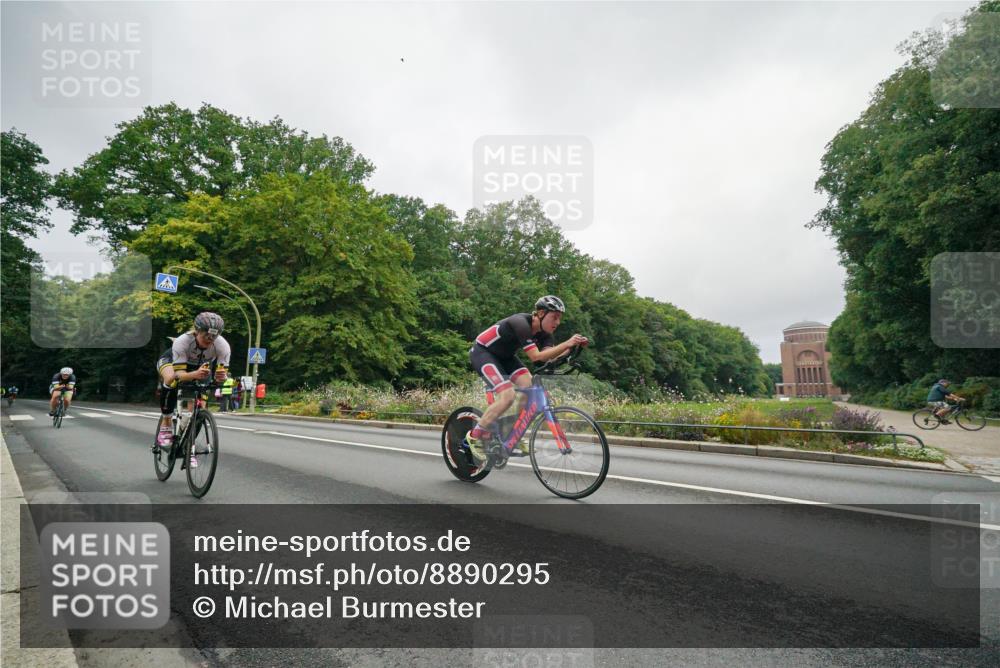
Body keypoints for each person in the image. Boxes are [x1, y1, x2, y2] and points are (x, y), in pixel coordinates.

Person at [465, 296, 588, 465]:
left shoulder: (546, 335)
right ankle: (474, 436)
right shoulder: (520, 323)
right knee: (507, 396)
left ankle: (510, 433)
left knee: (530, 389)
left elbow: (545, 360)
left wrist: (570, 349)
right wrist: (567, 343)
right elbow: (535, 356)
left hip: (506, 357)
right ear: (541, 313)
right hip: (484, 352)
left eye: (560, 318)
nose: (558, 322)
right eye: (555, 317)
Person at [155, 312, 231, 468]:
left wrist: (220, 376)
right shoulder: (183, 342)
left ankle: (188, 446)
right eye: (206, 337)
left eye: (213, 338)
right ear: (197, 331)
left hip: (200, 368)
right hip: (174, 363)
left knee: (198, 409)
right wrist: (194, 375)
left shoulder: (223, 346)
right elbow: (180, 375)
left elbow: (220, 377)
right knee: (171, 380)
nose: (209, 341)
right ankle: (167, 422)